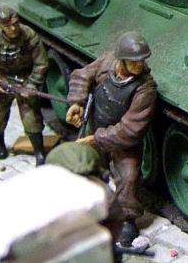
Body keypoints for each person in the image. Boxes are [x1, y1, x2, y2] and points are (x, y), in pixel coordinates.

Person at [65, 31, 157, 247]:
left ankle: (128, 219)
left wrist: (95, 139)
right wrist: (76, 102)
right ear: (121, 59)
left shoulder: (145, 88)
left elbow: (130, 129)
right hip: (96, 127)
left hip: (123, 143)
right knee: (88, 169)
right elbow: (82, 76)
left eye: (142, 60)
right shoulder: (107, 63)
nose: (140, 65)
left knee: (129, 176)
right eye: (134, 61)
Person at [0, 6, 48, 165]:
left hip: (25, 80)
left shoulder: (29, 35)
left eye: (15, 24)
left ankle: (39, 152)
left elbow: (41, 62)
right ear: (0, 26)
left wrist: (32, 84)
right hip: (2, 80)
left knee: (32, 120)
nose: (13, 29)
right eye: (7, 26)